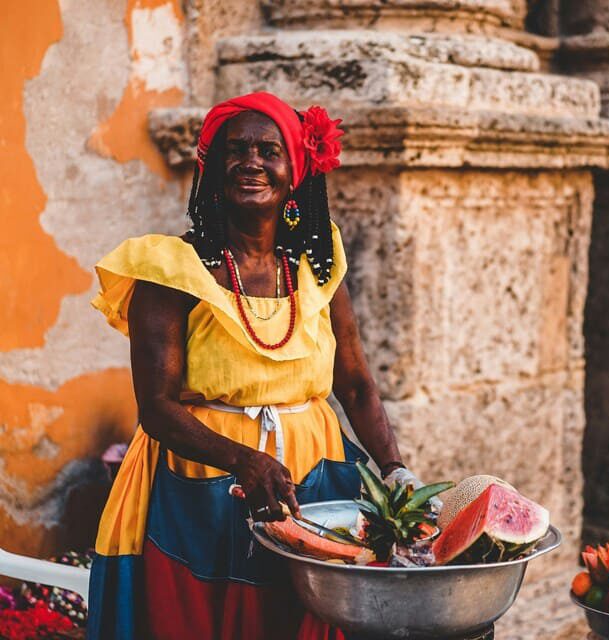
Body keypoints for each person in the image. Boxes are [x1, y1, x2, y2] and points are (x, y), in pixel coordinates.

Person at [87, 92, 421, 639]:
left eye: (269, 150)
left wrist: (395, 470)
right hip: (201, 482)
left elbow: (356, 386)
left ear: (295, 171)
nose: (251, 161)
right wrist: (245, 460)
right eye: (235, 150)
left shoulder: (315, 266)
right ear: (212, 169)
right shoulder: (170, 270)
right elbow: (158, 407)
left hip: (314, 478)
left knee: (300, 617)